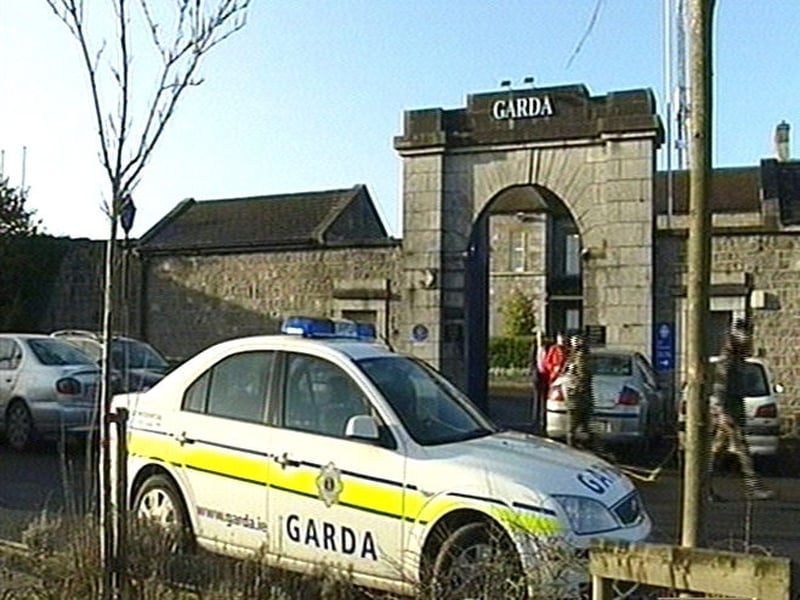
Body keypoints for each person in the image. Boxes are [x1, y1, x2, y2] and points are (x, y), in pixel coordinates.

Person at [708, 319, 775, 501]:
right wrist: (721, 412)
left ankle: (703, 487)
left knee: (716, 452)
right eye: (746, 338)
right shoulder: (727, 361)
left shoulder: (738, 360)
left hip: (734, 411)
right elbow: (720, 387)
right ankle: (753, 487)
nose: (748, 342)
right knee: (743, 450)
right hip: (728, 413)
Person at [562, 333, 596, 450]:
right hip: (579, 396)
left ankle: (573, 447)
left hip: (577, 396)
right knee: (586, 425)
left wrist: (575, 387)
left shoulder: (580, 357)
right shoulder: (576, 356)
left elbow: (582, 376)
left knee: (573, 425)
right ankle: (593, 445)